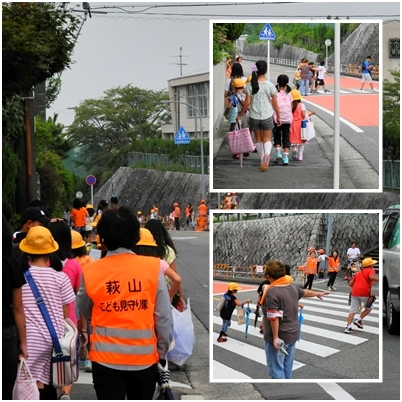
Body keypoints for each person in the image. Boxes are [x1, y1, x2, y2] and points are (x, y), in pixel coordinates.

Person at [77, 207, 173, 400]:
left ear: (102, 238)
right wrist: (161, 353)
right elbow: (163, 318)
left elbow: (84, 309)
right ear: (135, 237)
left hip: (104, 360)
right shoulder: (153, 268)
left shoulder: (90, 271)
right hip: (144, 360)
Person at [19, 226, 76, 400]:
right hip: (54, 339)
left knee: (27, 382)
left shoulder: (20, 277)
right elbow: (65, 312)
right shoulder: (61, 277)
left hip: (29, 338)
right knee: (43, 380)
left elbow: (18, 307)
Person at [260, 260, 329, 379]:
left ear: (268, 276)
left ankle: (281, 390)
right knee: (287, 366)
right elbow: (305, 292)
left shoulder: (272, 291)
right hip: (292, 333)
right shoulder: (291, 287)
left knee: (277, 370)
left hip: (279, 336)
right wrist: (317, 293)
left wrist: (275, 337)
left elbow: (273, 317)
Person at [45, 219, 87, 399]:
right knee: (68, 362)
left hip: (45, 322)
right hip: (68, 323)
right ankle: (64, 393)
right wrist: (83, 328)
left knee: (47, 363)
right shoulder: (74, 265)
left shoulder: (41, 264)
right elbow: (80, 297)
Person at [237, 60, 281, 172]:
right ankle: (267, 154)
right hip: (267, 115)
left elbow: (247, 103)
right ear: (266, 71)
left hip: (254, 116)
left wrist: (240, 115)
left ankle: (262, 160)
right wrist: (278, 116)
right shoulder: (270, 85)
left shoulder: (250, 86)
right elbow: (275, 104)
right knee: (267, 139)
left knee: (258, 139)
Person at [2, 214, 28, 400]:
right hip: (6, 331)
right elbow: (18, 307)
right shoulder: (10, 262)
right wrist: (23, 342)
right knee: (5, 388)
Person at [145, 219, 185, 309]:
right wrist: (176, 295)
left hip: (146, 288)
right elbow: (175, 277)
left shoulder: (142, 250)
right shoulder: (167, 250)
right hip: (163, 289)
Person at [133, 228, 182, 301]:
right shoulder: (159, 262)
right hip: (157, 300)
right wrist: (170, 295)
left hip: (138, 300)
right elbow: (177, 279)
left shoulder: (130, 264)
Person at [71, 230, 94, 374]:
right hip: (89, 295)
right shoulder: (89, 259)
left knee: (76, 329)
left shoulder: (70, 262)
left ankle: (77, 357)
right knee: (88, 329)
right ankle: (89, 358)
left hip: (73, 296)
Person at [344, 258, 379, 334]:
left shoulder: (358, 273)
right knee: (369, 307)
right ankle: (359, 319)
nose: (373, 265)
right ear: (370, 265)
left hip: (354, 292)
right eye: (372, 264)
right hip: (364, 292)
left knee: (352, 310)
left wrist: (357, 285)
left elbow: (350, 284)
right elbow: (371, 277)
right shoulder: (371, 270)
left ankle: (348, 327)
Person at [289, 89, 316, 162]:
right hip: (301, 125)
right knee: (302, 140)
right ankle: (300, 155)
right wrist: (311, 113)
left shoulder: (290, 105)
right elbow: (304, 116)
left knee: (294, 139)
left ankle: (294, 148)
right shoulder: (301, 105)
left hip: (292, 124)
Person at [273, 74, 293, 165]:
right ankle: (285, 158)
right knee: (286, 137)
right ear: (287, 83)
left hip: (277, 118)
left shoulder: (274, 93)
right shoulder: (289, 93)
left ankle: (278, 153)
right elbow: (291, 106)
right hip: (287, 118)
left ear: (277, 82)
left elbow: (272, 105)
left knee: (277, 135)